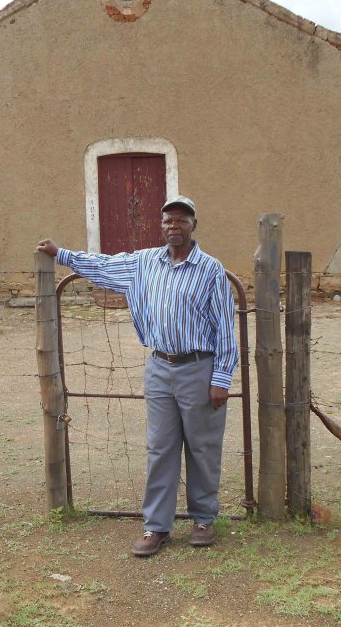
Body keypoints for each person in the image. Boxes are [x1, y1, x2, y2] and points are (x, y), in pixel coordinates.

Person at [37, 196, 238, 557]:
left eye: (181, 220)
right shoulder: (143, 263)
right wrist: (60, 253)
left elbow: (225, 327)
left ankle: (204, 519)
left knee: (202, 447)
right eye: (167, 220)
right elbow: (100, 265)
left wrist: (221, 377)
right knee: (160, 448)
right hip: (160, 368)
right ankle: (156, 526)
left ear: (194, 225)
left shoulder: (210, 269)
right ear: (161, 226)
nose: (173, 225)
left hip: (199, 368)